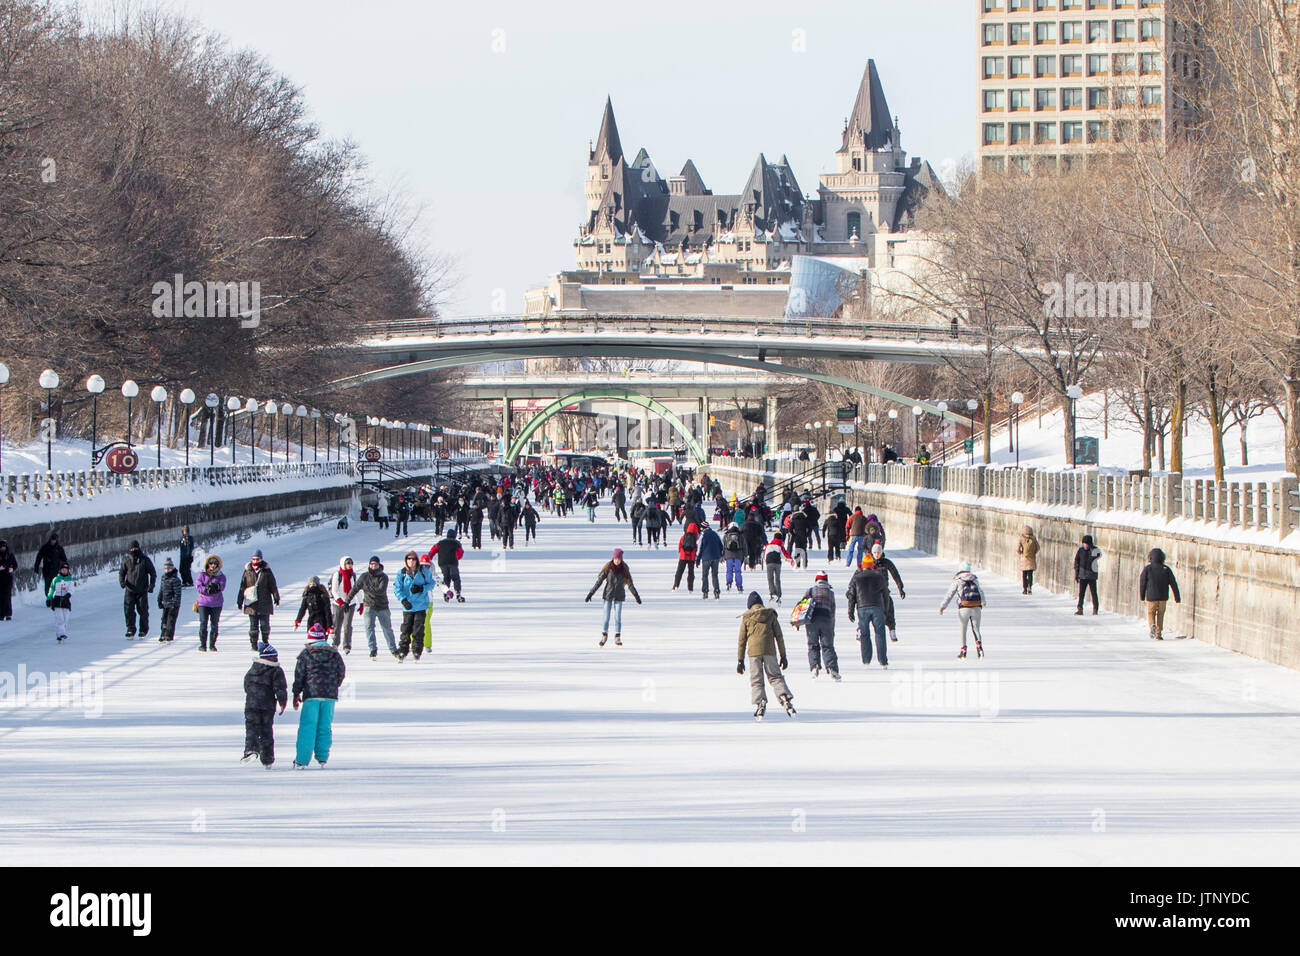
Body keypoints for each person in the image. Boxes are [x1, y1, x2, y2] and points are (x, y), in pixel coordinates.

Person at [292, 623, 346, 769]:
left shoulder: (306, 653)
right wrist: (333, 685)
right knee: (325, 725)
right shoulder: (334, 654)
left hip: (311, 694)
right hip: (329, 695)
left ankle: (302, 760)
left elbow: (299, 676)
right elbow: (341, 672)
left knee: (308, 726)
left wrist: (296, 693)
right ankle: (322, 757)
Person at [737, 592, 795, 719]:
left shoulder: (746, 618)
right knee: (775, 677)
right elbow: (779, 637)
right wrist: (783, 655)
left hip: (753, 653)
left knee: (757, 680)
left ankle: (760, 702)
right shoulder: (770, 615)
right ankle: (784, 697)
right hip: (769, 651)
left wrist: (740, 660)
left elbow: (742, 640)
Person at [243, 641, 288, 768]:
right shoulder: (276, 670)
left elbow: (246, 684)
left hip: (251, 705)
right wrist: (282, 702)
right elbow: (280, 688)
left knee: (251, 728)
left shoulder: (253, 668)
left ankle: (251, 750)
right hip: (267, 706)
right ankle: (267, 759)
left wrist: (252, 695)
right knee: (266, 731)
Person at [585, 548, 642, 646]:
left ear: (621, 559)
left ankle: (617, 637)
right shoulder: (608, 568)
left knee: (617, 618)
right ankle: (604, 635)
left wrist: (636, 596)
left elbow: (630, 584)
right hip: (608, 595)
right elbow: (599, 582)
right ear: (613, 558)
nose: (617, 561)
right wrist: (591, 593)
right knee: (606, 617)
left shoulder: (624, 569)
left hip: (619, 596)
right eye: (616, 558)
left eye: (619, 559)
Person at [346, 555, 398, 660]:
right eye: (372, 564)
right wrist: (347, 601)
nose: (373, 566)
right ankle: (372, 649)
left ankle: (393, 649)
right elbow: (355, 588)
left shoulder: (383, 577)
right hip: (369, 606)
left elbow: (380, 591)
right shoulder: (364, 576)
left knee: (387, 628)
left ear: (379, 565)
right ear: (369, 565)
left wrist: (366, 588)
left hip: (382, 606)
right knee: (369, 628)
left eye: (375, 564)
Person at [846, 554, 889, 669]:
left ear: (863, 565)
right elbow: (886, 594)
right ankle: (883, 661)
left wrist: (850, 611)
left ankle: (866, 660)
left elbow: (851, 595)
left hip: (862, 608)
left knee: (864, 635)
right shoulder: (879, 576)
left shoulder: (857, 577)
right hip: (877, 607)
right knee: (880, 634)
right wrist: (886, 610)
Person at [939, 561, 986, 660]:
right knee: (976, 629)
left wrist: (943, 606)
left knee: (963, 630)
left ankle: (963, 651)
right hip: (976, 607)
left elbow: (950, 594)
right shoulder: (975, 579)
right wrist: (983, 603)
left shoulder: (958, 580)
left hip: (963, 608)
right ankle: (979, 648)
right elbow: (981, 592)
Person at [393, 550, 435, 660]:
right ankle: (403, 650)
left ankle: (417, 650)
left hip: (421, 604)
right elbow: (397, 588)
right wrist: (403, 600)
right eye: (409, 559)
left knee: (418, 629)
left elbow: (431, 583)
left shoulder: (424, 571)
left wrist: (422, 588)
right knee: (406, 628)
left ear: (417, 560)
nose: (411, 561)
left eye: (413, 559)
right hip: (408, 606)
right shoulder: (401, 573)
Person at [237, 549, 280, 650]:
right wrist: (239, 601)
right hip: (251, 603)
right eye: (254, 559)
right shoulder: (247, 571)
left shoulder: (266, 571)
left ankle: (265, 642)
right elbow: (242, 587)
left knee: (265, 625)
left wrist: (276, 597)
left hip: (265, 602)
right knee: (253, 626)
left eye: (257, 559)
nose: (255, 561)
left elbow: (273, 586)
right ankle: (254, 645)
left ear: (261, 559)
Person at [801, 570, 839, 680]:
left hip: (812, 621)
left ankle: (814, 667)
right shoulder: (830, 593)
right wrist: (832, 627)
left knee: (813, 645)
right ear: (826, 580)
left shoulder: (810, 591)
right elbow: (832, 611)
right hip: (826, 620)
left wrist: (799, 622)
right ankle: (832, 669)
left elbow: (802, 607)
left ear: (816, 580)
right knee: (827, 645)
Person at [1139, 548, 1181, 640]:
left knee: (1151, 613)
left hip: (1151, 597)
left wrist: (1142, 596)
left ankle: (1152, 626)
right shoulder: (1166, 569)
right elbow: (1173, 583)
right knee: (1160, 614)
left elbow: (1142, 583)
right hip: (1163, 597)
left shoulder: (1147, 569)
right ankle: (1158, 634)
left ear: (1151, 557)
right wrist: (1177, 597)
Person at [119, 540, 157, 640]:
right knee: (128, 610)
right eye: (131, 549)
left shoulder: (145, 560)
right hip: (129, 590)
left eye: (135, 548)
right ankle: (130, 629)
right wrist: (122, 583)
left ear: (138, 548)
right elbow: (122, 573)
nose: (133, 550)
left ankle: (143, 630)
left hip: (142, 590)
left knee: (143, 611)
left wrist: (151, 585)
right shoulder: (126, 560)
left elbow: (153, 573)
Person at [870, 542, 906, 642]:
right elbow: (859, 576)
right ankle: (860, 630)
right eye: (875, 552)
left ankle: (892, 630)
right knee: (866, 611)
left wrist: (900, 587)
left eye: (878, 552)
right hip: (871, 593)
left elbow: (895, 574)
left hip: (884, 591)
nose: (877, 554)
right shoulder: (869, 563)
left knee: (890, 610)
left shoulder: (886, 562)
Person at [196, 554, 226, 652]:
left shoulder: (221, 576)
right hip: (203, 603)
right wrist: (206, 589)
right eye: (211, 563)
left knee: (214, 624)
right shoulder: (202, 575)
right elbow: (198, 586)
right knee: (203, 622)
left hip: (216, 603)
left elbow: (222, 586)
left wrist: (215, 588)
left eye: (215, 564)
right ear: (207, 564)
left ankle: (212, 645)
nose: (213, 565)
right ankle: (203, 644)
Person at [426, 529, 466, 602]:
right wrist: (457, 557)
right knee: (455, 577)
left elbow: (433, 550)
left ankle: (446, 592)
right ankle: (458, 593)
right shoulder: (456, 543)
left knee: (446, 577)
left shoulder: (440, 543)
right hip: (453, 562)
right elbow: (460, 553)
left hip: (442, 562)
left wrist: (429, 558)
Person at [327, 556, 357, 654]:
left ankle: (347, 645)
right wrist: (340, 602)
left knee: (347, 625)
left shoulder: (353, 575)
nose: (349, 565)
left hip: (350, 603)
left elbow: (357, 589)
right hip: (338, 603)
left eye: (351, 563)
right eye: (347, 563)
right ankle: (335, 643)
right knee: (337, 624)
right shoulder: (337, 575)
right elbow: (334, 591)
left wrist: (361, 602)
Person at [1073, 533, 1101, 615]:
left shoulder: (1094, 550)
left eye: (1086, 544)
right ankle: (1080, 608)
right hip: (1082, 575)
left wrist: (1092, 548)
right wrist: (1077, 574)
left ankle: (1095, 609)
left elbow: (1099, 554)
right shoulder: (1081, 550)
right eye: (1084, 543)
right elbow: (1076, 562)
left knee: (1093, 593)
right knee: (1081, 593)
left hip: (1092, 575)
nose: (1085, 545)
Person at [46, 560, 73, 643]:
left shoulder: (70, 580)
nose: (64, 571)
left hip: (65, 601)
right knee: (60, 618)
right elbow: (51, 588)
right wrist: (49, 598)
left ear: (68, 570)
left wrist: (68, 595)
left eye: (66, 569)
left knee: (65, 618)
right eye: (63, 569)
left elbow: (71, 589)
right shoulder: (56, 579)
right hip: (57, 600)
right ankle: (62, 633)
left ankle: (59, 634)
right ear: (60, 570)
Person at [35, 533, 69, 598]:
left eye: (54, 540)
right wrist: (36, 567)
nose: (53, 541)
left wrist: (66, 568)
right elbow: (39, 557)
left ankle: (56, 598)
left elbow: (64, 559)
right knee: (48, 585)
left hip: (56, 570)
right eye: (52, 540)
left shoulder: (59, 549)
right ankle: (49, 597)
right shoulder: (45, 548)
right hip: (47, 570)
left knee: (56, 585)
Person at [157, 557, 182, 642]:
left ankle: (168, 635)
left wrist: (174, 603)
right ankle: (163, 634)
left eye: (169, 568)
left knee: (170, 620)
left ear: (172, 568)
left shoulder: (175, 580)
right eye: (166, 569)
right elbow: (161, 590)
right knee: (164, 620)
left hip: (173, 604)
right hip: (165, 603)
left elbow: (178, 593)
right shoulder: (163, 578)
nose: (167, 570)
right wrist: (159, 600)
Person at [697, 521, 723, 600]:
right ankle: (717, 591)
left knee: (705, 575)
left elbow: (700, 547)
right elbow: (721, 545)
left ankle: (705, 591)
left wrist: (698, 559)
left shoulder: (703, 535)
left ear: (703, 527)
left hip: (706, 558)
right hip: (716, 557)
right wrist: (720, 555)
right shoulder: (715, 534)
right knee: (715, 575)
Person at [764, 530, 791, 604]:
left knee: (770, 578)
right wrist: (790, 559)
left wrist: (766, 562)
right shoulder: (780, 545)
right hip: (777, 563)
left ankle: (772, 592)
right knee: (777, 579)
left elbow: (765, 555)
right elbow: (785, 553)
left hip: (769, 563)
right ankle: (779, 593)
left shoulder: (768, 545)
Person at [673, 522, 700, 592]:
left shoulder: (683, 536)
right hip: (691, 557)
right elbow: (697, 548)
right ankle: (690, 588)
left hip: (683, 557)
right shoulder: (696, 537)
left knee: (679, 571)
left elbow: (680, 546)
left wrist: (681, 552)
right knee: (691, 572)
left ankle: (676, 585)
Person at [722, 519, 746, 593]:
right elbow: (744, 546)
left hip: (728, 555)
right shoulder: (740, 535)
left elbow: (723, 546)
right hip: (738, 555)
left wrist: (722, 555)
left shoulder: (726, 535)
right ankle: (739, 586)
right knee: (738, 571)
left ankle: (729, 583)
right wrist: (745, 555)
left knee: (729, 570)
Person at [1017, 525, 1039, 595]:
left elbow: (1017, 549)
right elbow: (1038, 548)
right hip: (1031, 559)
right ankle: (1030, 588)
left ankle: (1024, 589)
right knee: (1030, 574)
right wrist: (1033, 553)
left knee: (1024, 574)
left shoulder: (1021, 538)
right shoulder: (1034, 538)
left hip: (1024, 558)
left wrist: (1021, 554)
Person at [0, 539, 17, 621]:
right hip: (0, 578)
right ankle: (1, 614)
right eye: (1, 547)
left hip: (8, 578)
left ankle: (8, 613)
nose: (2, 548)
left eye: (3, 547)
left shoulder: (10, 555)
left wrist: (12, 568)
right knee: (1, 596)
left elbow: (15, 564)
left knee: (7, 596)